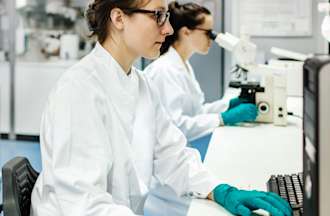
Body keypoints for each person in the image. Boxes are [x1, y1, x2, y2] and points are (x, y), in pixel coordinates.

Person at [30, 0, 292, 216]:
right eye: (158, 16)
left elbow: (172, 154)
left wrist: (218, 189)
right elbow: (82, 205)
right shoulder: (79, 91)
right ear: (119, 19)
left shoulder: (139, 83)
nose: (167, 29)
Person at [144, 2, 258, 143]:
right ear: (186, 32)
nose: (212, 38)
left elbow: (196, 112)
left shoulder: (183, 65)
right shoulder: (164, 71)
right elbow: (175, 126)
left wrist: (228, 105)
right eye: (208, 33)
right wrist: (223, 118)